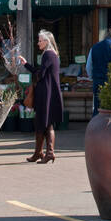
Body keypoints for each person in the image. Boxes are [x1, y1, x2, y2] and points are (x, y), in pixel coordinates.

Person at [21, 30, 63, 163]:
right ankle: (40, 153)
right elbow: (41, 72)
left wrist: (29, 69)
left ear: (46, 42)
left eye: (40, 40)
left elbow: (41, 74)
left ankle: (47, 152)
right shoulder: (52, 54)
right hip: (48, 93)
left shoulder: (48, 54)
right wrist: (26, 64)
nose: (38, 43)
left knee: (43, 123)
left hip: (46, 94)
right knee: (45, 123)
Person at [86, 27, 111, 114]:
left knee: (97, 107)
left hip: (98, 80)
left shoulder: (94, 47)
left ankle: (96, 126)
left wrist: (92, 77)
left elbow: (89, 66)